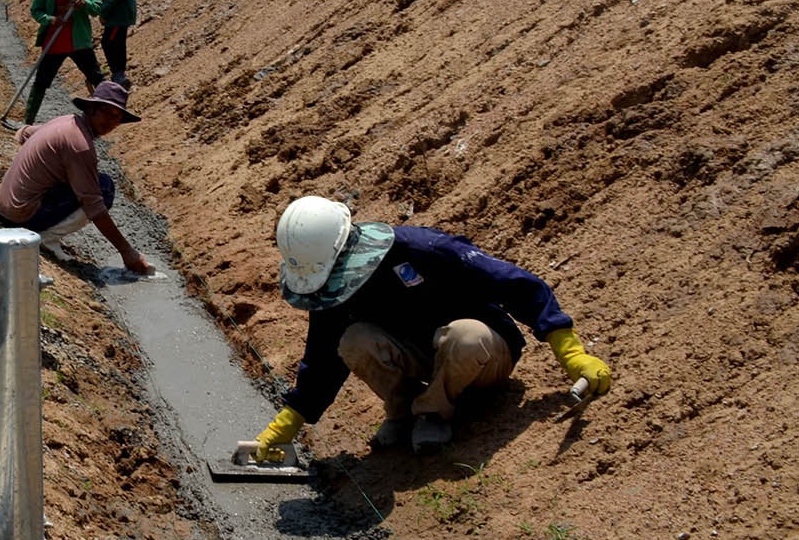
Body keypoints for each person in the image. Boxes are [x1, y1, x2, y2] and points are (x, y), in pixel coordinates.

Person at [251, 196, 612, 459]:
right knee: (353, 340)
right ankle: (404, 411)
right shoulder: (332, 287)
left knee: (464, 336)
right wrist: (288, 423)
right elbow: (323, 354)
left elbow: (516, 284)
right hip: (421, 354)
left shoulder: (423, 249)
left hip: (483, 351)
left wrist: (571, 352)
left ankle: (432, 413)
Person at [0, 80, 152, 275]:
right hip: (20, 217)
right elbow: (94, 205)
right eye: (106, 112)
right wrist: (126, 250)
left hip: (6, 206)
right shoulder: (80, 145)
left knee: (87, 179)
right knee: (104, 187)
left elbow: (23, 133)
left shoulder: (65, 121)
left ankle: (45, 228)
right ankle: (46, 238)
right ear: (92, 107)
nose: (111, 122)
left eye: (117, 117)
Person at [23, 0, 103, 124]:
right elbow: (36, 11)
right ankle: (28, 121)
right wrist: (50, 19)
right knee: (41, 82)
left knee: (97, 78)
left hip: (80, 41)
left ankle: (109, 113)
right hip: (54, 43)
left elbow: (97, 9)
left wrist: (86, 3)